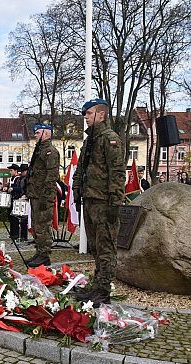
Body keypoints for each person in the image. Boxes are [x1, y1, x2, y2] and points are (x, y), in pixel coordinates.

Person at [72, 98, 126, 307]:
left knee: (106, 248)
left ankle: (103, 291)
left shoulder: (109, 138)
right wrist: (77, 191)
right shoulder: (89, 140)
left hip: (104, 202)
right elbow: (81, 170)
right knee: (95, 246)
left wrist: (114, 202)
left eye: (89, 113)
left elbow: (118, 172)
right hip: (90, 200)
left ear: (101, 115)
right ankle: (97, 287)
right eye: (85, 114)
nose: (85, 117)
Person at [26, 124, 60, 267]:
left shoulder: (50, 152)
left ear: (46, 133)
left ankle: (44, 255)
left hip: (43, 196)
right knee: (36, 225)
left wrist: (45, 197)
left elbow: (51, 176)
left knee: (43, 226)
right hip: (36, 194)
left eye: (38, 132)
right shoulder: (39, 150)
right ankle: (39, 252)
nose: (35, 135)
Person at [9, 163, 29, 241]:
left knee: (24, 219)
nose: (22, 173)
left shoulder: (26, 179)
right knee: (20, 218)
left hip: (25, 199)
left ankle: (23, 236)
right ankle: (20, 235)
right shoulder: (21, 178)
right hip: (20, 199)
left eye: (23, 171)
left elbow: (24, 189)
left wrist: (25, 195)